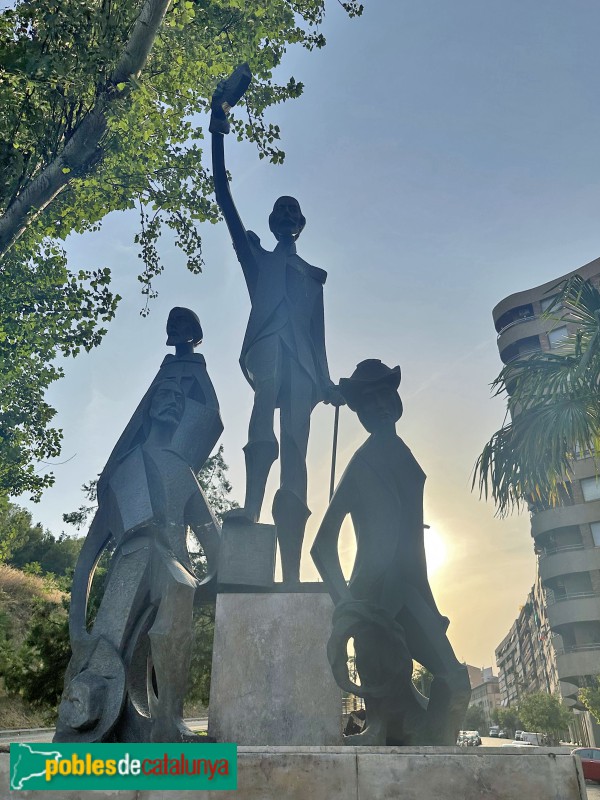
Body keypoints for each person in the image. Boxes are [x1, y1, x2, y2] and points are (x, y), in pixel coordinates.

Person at [55, 312, 222, 743]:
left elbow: (217, 550)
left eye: (177, 397)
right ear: (148, 409)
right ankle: (110, 719)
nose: (169, 399)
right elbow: (86, 562)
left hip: (172, 577)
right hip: (128, 580)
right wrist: (78, 632)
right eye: (161, 394)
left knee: (178, 586)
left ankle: (167, 720)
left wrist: (205, 586)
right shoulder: (123, 476)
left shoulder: (181, 473)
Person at [210, 79, 343, 583]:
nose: (286, 216)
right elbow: (223, 197)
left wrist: (328, 382)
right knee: (262, 407)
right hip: (268, 350)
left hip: (306, 367)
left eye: (294, 212)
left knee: (297, 447)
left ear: (301, 223)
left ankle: (290, 566)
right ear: (269, 221)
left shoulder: (314, 278)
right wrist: (218, 125)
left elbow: (320, 337)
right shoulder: (257, 261)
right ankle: (249, 506)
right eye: (280, 211)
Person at [311, 359, 470, 745]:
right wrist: (346, 604)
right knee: (384, 720)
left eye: (385, 395)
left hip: (411, 593)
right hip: (373, 600)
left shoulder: (403, 454)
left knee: (455, 682)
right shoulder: (362, 462)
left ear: (396, 400)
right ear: (361, 414)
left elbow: (413, 542)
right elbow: (321, 547)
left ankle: (435, 755)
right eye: (369, 401)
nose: (380, 405)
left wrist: (429, 605)